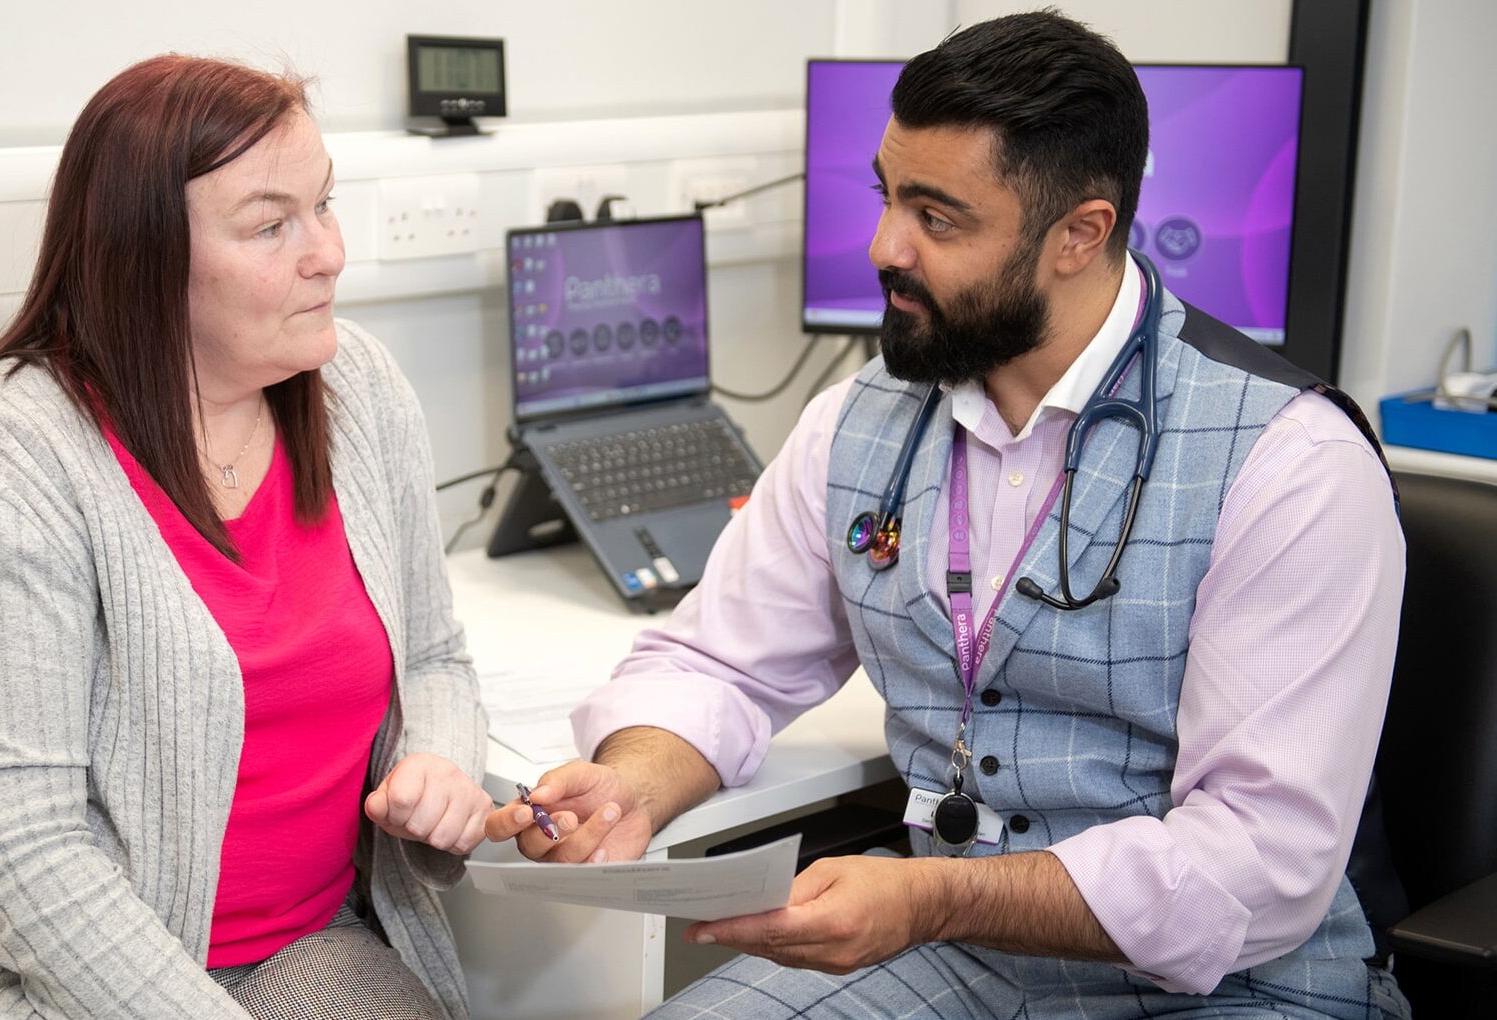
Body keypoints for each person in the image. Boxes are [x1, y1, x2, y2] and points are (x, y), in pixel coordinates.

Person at [488, 12, 1410, 1019]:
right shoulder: (858, 424)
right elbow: (717, 664)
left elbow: (1253, 870)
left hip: (1235, 985)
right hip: (960, 957)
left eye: (937, 219)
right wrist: (632, 781)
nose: (882, 247)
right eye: (885, 198)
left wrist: (932, 896)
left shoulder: (1290, 463)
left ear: (1078, 235)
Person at [0, 55, 488, 1019]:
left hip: (288, 945)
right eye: (273, 226)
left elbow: (433, 655)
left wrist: (435, 759)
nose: (328, 254)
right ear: (143, 259)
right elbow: (20, 858)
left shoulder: (359, 391)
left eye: (324, 205)